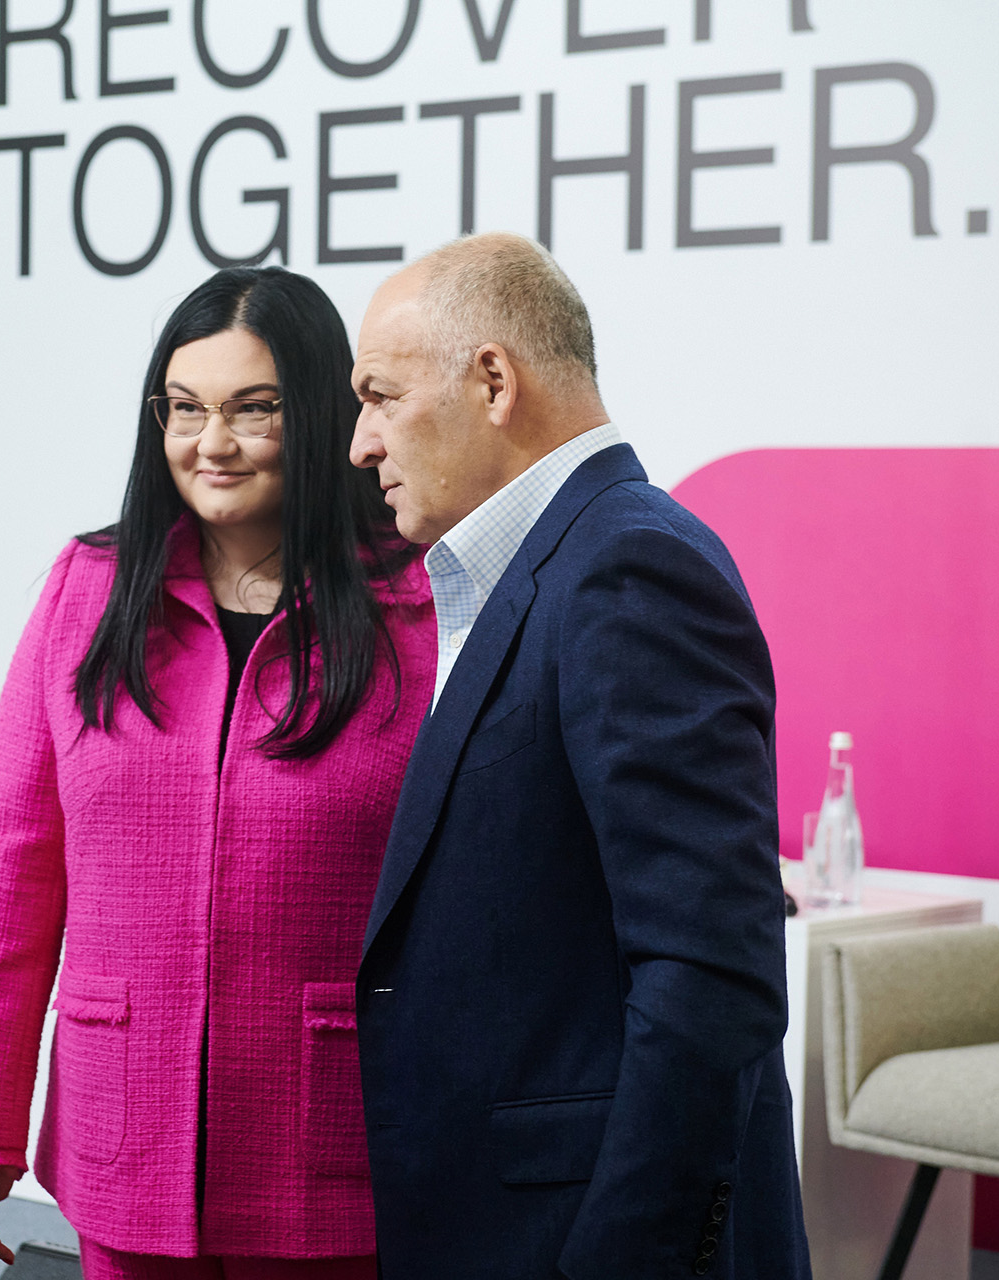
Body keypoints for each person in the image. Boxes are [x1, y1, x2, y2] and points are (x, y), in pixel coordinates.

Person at [0, 267, 434, 1278]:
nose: (211, 442)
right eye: (185, 408)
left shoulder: (417, 603)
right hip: (125, 1121)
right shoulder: (90, 589)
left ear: (322, 414)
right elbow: (9, 871)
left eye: (253, 408)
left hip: (331, 1129)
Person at [347, 232, 809, 1279]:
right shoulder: (540, 568)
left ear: (493, 381)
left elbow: (709, 973)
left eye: (380, 395)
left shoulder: (627, 567)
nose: (361, 443)